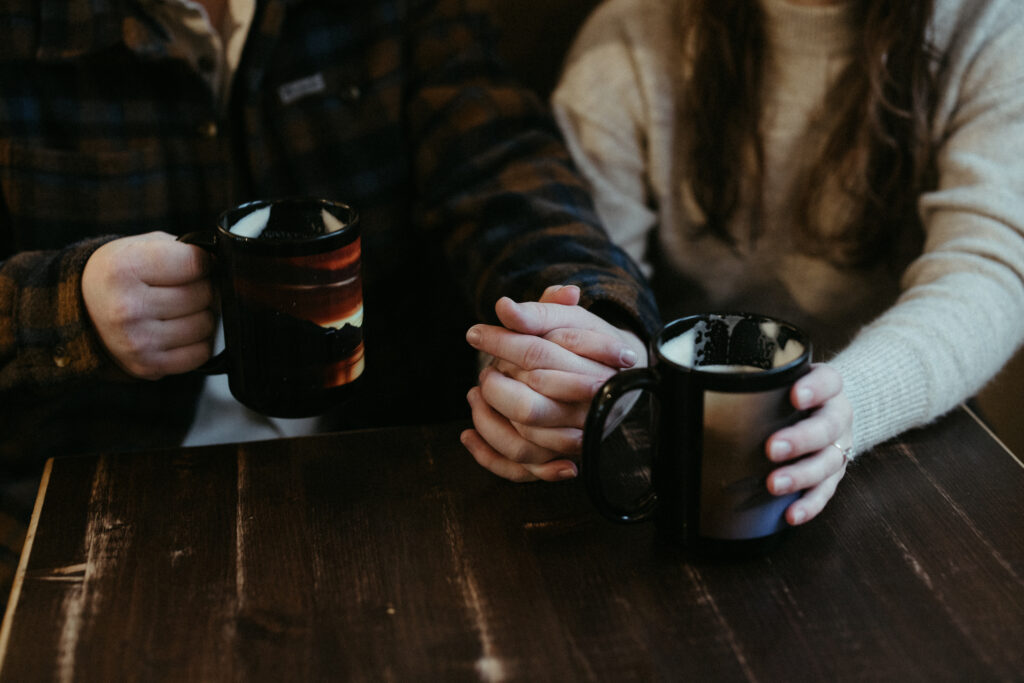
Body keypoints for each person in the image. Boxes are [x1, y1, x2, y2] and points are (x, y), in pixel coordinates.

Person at [0, 0, 659, 608]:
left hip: (384, 477)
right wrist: (67, 302)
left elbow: (505, 168)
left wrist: (587, 321)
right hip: (87, 507)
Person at [503, 0, 1023, 526]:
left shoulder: (991, 23)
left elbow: (989, 268)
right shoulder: (629, 36)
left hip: (907, 436)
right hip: (677, 445)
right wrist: (570, 369)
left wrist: (851, 402)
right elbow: (591, 269)